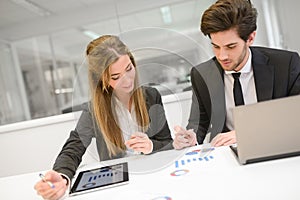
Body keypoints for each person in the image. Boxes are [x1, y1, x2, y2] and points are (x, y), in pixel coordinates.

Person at [34, 35, 174, 200]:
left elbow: (167, 143)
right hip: (120, 189)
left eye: (129, 69)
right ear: (103, 80)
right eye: (115, 77)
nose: (128, 80)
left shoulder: (151, 96)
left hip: (155, 177)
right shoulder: (94, 111)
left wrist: (151, 146)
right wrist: (63, 177)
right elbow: (73, 149)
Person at [173, 0, 300, 150]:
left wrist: (245, 133)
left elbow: (294, 117)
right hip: (229, 154)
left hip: (277, 146)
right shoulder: (202, 74)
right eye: (216, 47)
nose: (222, 56)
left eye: (230, 46)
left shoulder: (285, 64)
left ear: (250, 38)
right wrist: (189, 138)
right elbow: (199, 123)